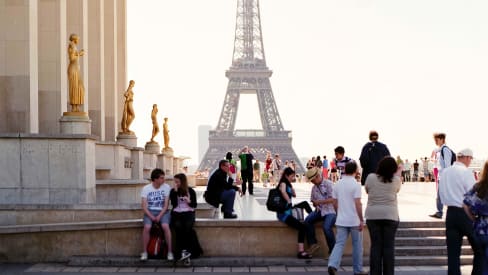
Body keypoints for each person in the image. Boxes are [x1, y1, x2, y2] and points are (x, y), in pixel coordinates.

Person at [439, 148, 483, 275]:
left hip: (450, 214)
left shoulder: (445, 172)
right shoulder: (466, 172)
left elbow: (441, 195)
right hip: (465, 213)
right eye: (471, 159)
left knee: (453, 254)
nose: (470, 161)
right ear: (466, 157)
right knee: (479, 249)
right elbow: (473, 195)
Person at [327, 162, 368, 275]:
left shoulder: (337, 184)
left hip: (341, 220)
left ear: (345, 170)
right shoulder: (356, 185)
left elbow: (334, 202)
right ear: (355, 171)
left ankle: (332, 265)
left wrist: (339, 212)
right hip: (354, 220)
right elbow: (358, 204)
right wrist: (361, 220)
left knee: (339, 243)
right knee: (357, 246)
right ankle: (358, 270)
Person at [365, 157, 402, 275]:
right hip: (390, 216)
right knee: (388, 247)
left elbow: (367, 190)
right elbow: (397, 190)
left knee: (375, 246)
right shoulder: (396, 180)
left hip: (373, 216)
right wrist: (398, 173)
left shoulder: (370, 178)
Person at [277, 167, 319, 259]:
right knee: (302, 227)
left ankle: (312, 216)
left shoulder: (288, 184)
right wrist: (288, 200)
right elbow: (283, 192)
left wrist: (292, 190)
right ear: (286, 176)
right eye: (292, 176)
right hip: (284, 214)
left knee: (304, 203)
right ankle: (301, 252)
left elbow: (294, 195)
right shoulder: (283, 183)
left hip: (288, 210)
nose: (293, 178)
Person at [140, 168, 173, 261]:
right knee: (147, 227)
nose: (164, 180)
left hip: (163, 212)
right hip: (150, 211)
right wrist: (151, 216)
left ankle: (170, 252)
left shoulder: (166, 187)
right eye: (161, 178)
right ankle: (145, 252)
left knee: (165, 226)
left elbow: (166, 205)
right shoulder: (146, 189)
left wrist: (159, 216)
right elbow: (144, 206)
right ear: (155, 179)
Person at [304, 167, 336, 255]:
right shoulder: (314, 188)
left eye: (313, 180)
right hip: (319, 211)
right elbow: (313, 201)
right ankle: (313, 244)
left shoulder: (329, 184)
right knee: (307, 221)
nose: (312, 182)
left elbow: (333, 199)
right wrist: (315, 204)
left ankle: (333, 251)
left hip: (330, 211)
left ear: (318, 176)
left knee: (326, 227)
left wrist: (320, 202)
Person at [170, 173, 202, 261]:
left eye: (177, 181)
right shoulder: (173, 191)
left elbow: (194, 205)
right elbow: (173, 204)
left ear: (182, 181)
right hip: (177, 212)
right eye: (175, 181)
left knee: (188, 226)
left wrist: (189, 201)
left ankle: (184, 251)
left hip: (189, 212)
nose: (176, 183)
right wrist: (175, 192)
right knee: (178, 226)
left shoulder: (191, 191)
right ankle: (185, 251)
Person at [463, 160, 488, 275]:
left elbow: (465, 203)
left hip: (479, 229)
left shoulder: (478, 186)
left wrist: (472, 218)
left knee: (479, 261)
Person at [430, 132, 455, 219]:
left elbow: (448, 166)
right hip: (442, 176)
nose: (435, 141)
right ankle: (440, 212)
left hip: (445, 177)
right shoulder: (440, 150)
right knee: (440, 196)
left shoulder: (445, 150)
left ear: (442, 139)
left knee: (444, 196)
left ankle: (442, 213)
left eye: (437, 140)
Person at [67, 34, 85, 113]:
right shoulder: (72, 46)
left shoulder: (74, 46)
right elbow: (71, 58)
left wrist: (78, 53)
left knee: (80, 88)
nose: (78, 40)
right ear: (74, 39)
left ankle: (76, 106)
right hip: (73, 69)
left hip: (76, 69)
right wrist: (79, 54)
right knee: (74, 87)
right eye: (77, 39)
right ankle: (74, 107)